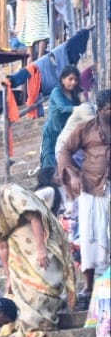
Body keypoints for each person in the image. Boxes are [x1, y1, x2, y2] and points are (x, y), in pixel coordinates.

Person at [0, 183, 77, 331]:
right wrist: (8, 276)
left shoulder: (12, 194)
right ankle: (35, 321)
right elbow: (2, 246)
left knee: (46, 280)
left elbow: (35, 218)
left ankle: (45, 317)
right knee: (20, 289)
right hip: (17, 251)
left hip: (37, 238)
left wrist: (41, 249)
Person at [57, 91, 111, 302]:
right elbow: (64, 152)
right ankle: (88, 287)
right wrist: (72, 174)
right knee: (90, 238)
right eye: (109, 109)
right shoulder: (85, 129)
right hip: (92, 189)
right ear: (100, 110)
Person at [40, 66, 81, 165]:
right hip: (52, 132)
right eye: (70, 79)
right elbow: (62, 108)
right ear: (63, 79)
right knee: (49, 161)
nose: (73, 82)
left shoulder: (75, 96)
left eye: (75, 79)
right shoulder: (56, 92)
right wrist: (81, 109)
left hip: (65, 132)